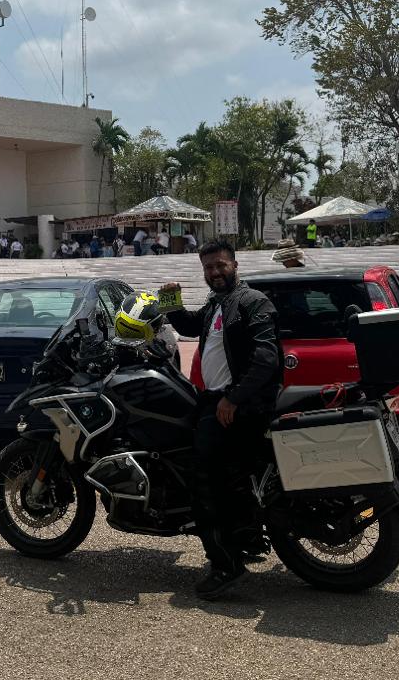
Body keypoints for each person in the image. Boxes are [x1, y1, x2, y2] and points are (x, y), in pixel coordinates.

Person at [158, 238, 284, 599]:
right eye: (208, 267)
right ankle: (246, 538)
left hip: (240, 406)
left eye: (220, 265)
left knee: (204, 482)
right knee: (230, 477)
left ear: (235, 265)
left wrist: (234, 398)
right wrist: (170, 301)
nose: (214, 272)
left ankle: (225, 565)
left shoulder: (251, 302)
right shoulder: (218, 303)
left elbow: (266, 358)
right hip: (217, 400)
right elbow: (189, 326)